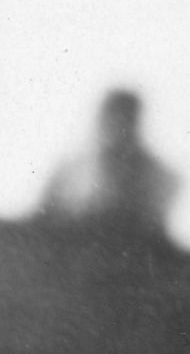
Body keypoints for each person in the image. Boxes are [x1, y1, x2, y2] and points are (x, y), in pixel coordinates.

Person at [34, 90, 177, 245]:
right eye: (113, 118)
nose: (119, 127)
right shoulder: (71, 170)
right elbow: (43, 216)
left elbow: (154, 225)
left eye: (125, 119)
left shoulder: (159, 176)